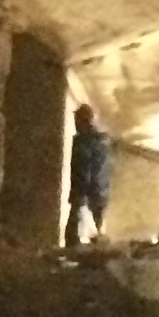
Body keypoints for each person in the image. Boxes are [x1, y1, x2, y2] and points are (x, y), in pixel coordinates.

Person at [63, 103, 113, 249]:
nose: (75, 124)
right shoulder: (102, 142)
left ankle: (74, 255)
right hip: (101, 193)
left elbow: (84, 168)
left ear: (82, 121)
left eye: (77, 120)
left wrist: (80, 195)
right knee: (96, 231)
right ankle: (97, 260)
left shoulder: (84, 142)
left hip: (85, 192)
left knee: (74, 233)